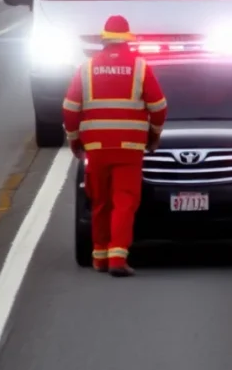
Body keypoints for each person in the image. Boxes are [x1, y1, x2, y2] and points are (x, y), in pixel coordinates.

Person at [62, 15, 167, 276]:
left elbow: (69, 109)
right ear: (127, 40)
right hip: (129, 147)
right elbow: (159, 107)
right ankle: (118, 257)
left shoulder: (86, 68)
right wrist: (154, 136)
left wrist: (75, 140)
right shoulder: (140, 68)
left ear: (104, 40)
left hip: (96, 147)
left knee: (99, 200)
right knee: (124, 200)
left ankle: (99, 256)